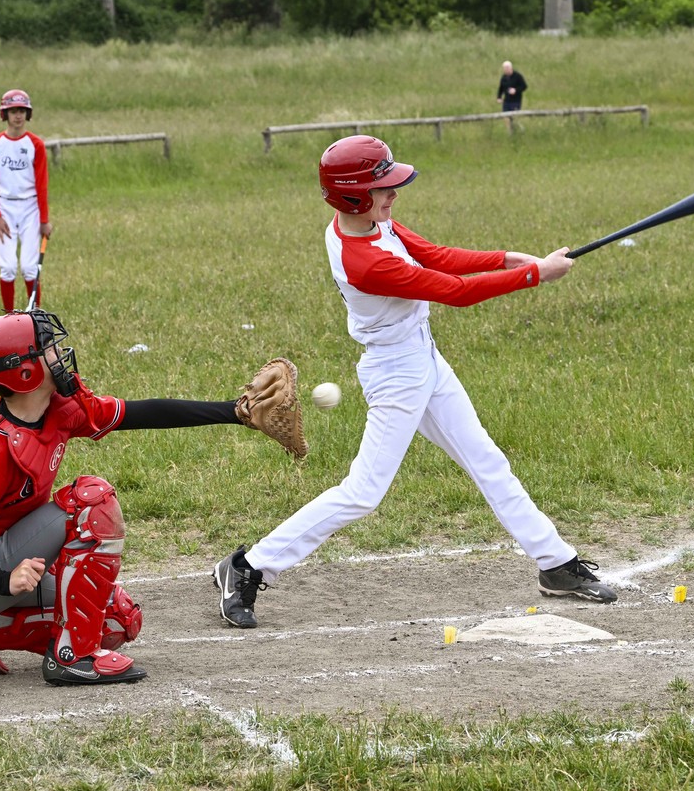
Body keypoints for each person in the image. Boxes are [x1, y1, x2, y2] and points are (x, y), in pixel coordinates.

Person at [212, 135, 618, 630]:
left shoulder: (372, 225)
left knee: (487, 460)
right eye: (383, 187)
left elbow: (438, 256)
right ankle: (248, 566)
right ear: (354, 195)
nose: (394, 194)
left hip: (423, 359)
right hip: (396, 374)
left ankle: (555, 564)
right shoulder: (365, 260)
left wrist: (510, 258)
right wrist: (536, 276)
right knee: (363, 492)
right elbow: (453, 291)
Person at [0, 310, 304, 687]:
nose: (60, 355)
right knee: (92, 501)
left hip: (1, 560)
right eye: (48, 350)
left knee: (117, 618)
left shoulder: (56, 411)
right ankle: (71, 658)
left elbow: (143, 412)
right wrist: (4, 581)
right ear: (24, 373)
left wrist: (235, 413)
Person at [0, 89, 50, 312]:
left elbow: (42, 185)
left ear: (27, 113)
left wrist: (44, 219)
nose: (18, 116)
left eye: (22, 110)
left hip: (30, 207)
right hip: (5, 207)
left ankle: (35, 314)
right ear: (5, 114)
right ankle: (9, 316)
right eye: (13, 111)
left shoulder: (36, 144)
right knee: (8, 267)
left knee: (30, 267)